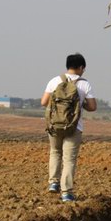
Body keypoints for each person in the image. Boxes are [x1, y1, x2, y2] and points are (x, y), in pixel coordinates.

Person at [41, 53, 97, 202]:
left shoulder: (54, 81)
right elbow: (92, 107)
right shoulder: (84, 84)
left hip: (54, 125)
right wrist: (81, 102)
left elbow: (44, 102)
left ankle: (53, 183)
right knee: (69, 159)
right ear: (80, 67)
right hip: (74, 126)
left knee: (55, 152)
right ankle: (66, 192)